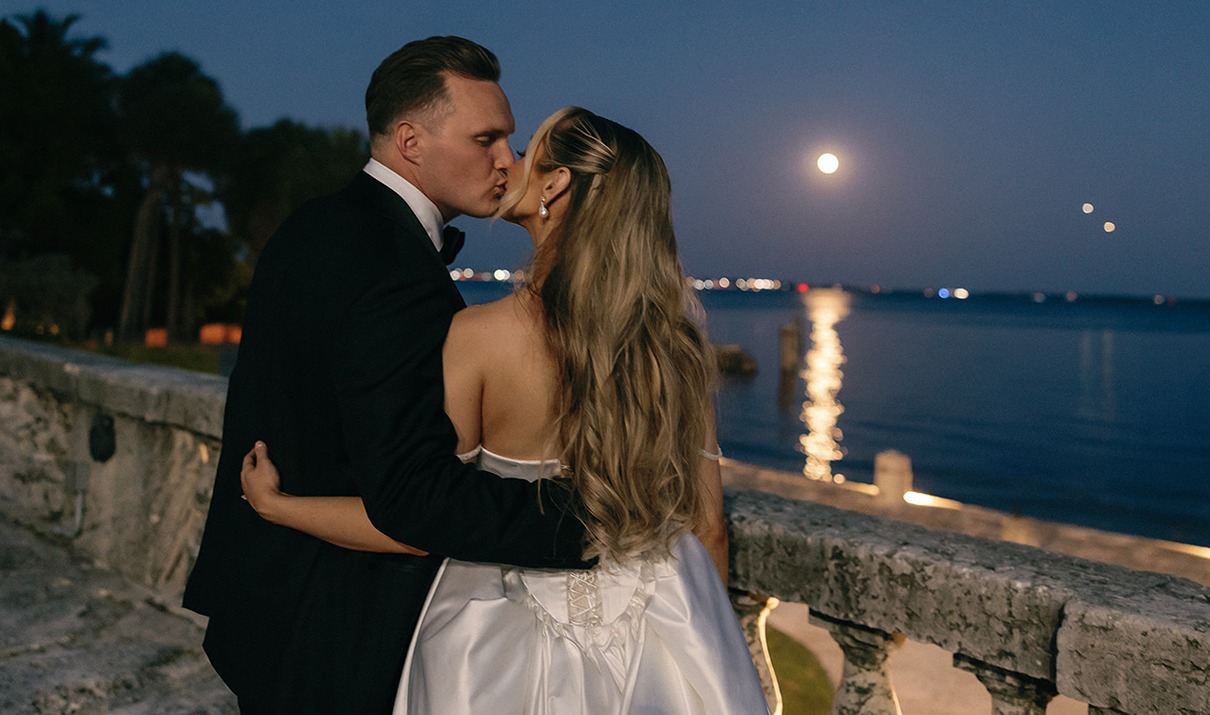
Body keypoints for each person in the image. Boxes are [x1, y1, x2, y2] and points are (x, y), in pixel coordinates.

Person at [240, 107, 771, 713]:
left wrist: (278, 506)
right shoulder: (673, 346)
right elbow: (709, 528)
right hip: (665, 626)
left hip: (496, 643)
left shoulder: (479, 336)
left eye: (525, 152)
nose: (505, 162)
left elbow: (421, 518)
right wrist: (713, 637)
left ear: (555, 183)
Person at [182, 38, 591, 714]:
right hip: (338, 622)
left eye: (509, 141)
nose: (507, 161)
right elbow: (414, 495)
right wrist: (593, 520)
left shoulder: (312, 225)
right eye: (486, 138)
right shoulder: (396, 273)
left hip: (264, 596)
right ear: (411, 141)